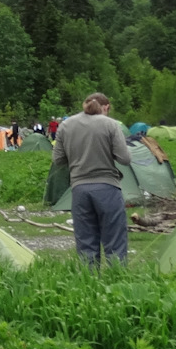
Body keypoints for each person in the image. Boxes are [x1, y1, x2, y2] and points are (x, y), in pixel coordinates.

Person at [53, 93, 132, 266]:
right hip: (108, 187)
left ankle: (88, 285)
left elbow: (58, 160)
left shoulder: (66, 125)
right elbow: (124, 159)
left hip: (79, 189)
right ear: (106, 107)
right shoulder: (110, 124)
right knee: (114, 241)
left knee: (86, 244)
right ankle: (115, 282)